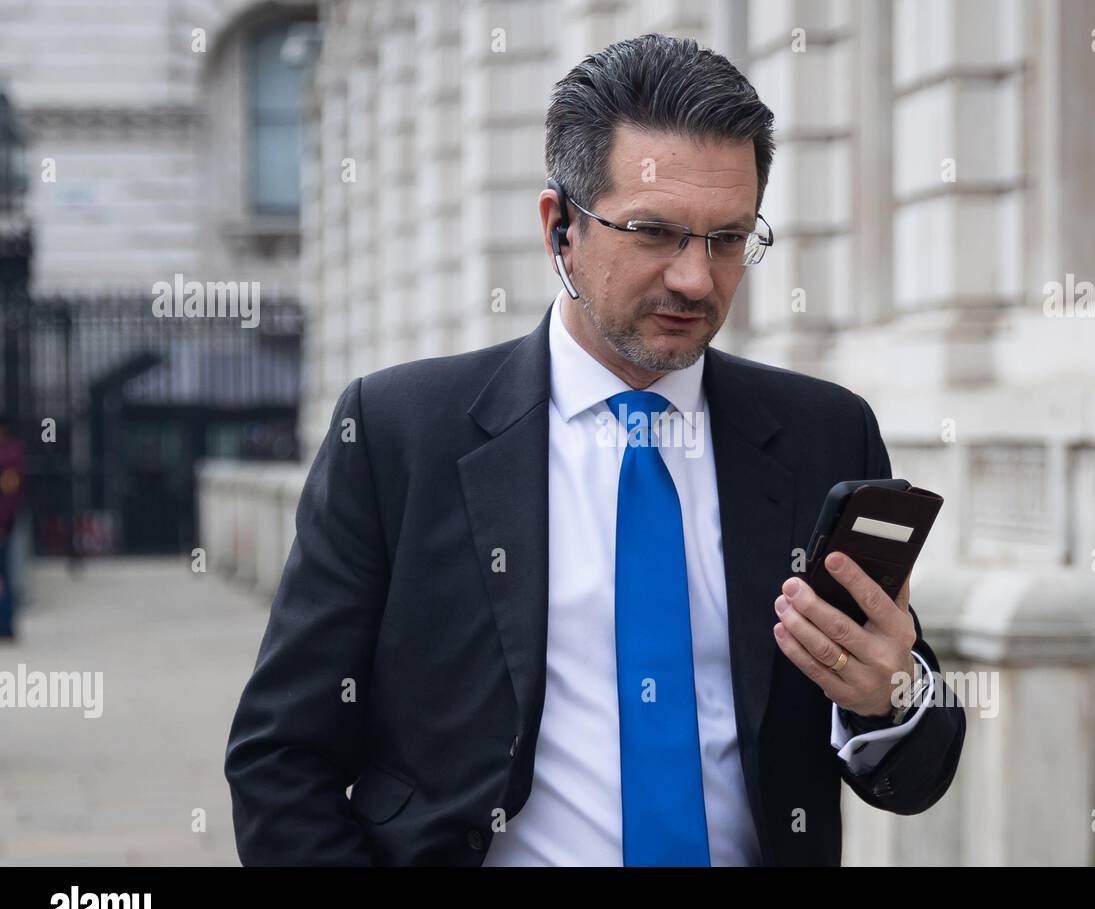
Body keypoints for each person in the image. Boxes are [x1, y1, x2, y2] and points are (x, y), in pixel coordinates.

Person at [225, 33, 964, 866]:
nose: (696, 279)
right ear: (559, 230)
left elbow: (917, 771)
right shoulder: (399, 434)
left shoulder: (825, 433)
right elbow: (281, 757)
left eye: (728, 239)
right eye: (656, 233)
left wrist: (892, 697)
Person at [0, 413, 24, 640]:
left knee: (4, 577)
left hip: (2, 527)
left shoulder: (9, 456)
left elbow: (9, 495)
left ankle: (5, 624)